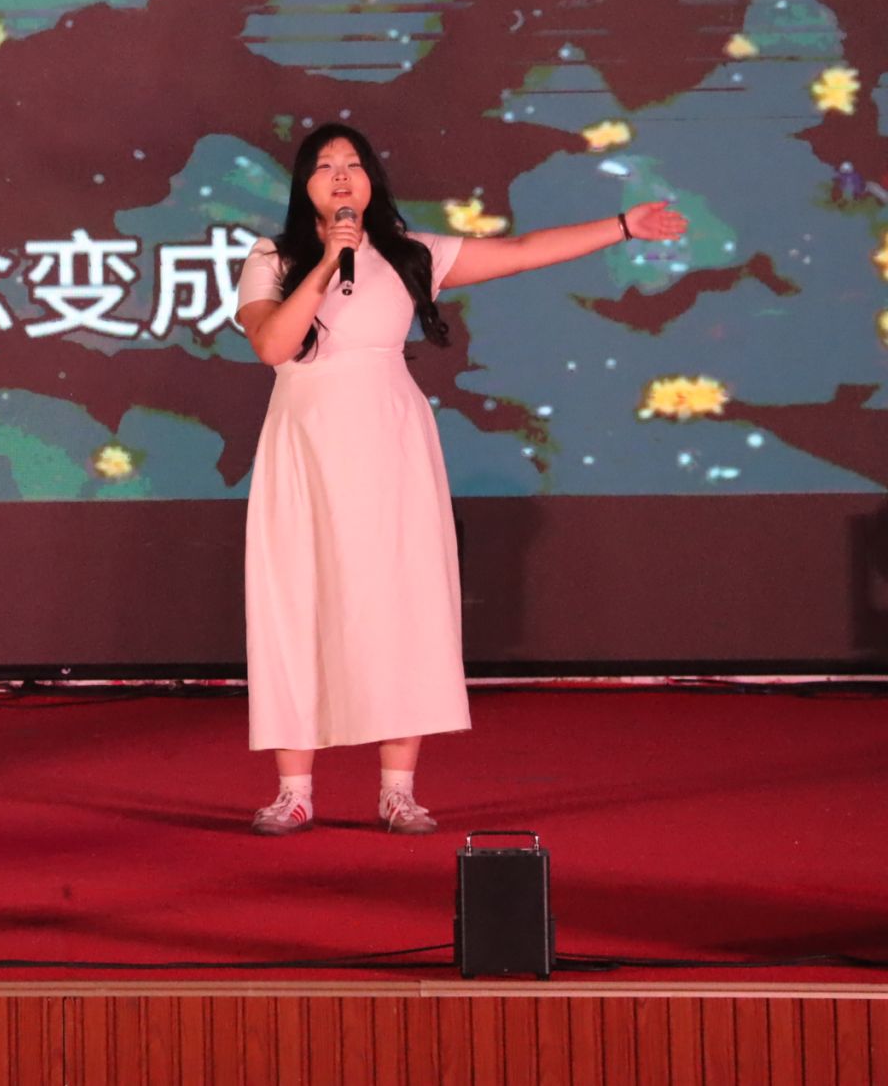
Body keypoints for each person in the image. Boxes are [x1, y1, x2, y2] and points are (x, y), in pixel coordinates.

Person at [233, 123, 686, 837]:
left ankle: (398, 790)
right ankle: (294, 791)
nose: (342, 176)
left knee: (401, 600)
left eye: (353, 163)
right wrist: (324, 266)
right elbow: (272, 344)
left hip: (391, 441)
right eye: (325, 166)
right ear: (304, 185)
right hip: (305, 446)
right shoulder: (274, 257)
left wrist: (623, 226)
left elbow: (522, 251)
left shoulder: (411, 254)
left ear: (372, 178)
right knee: (297, 598)